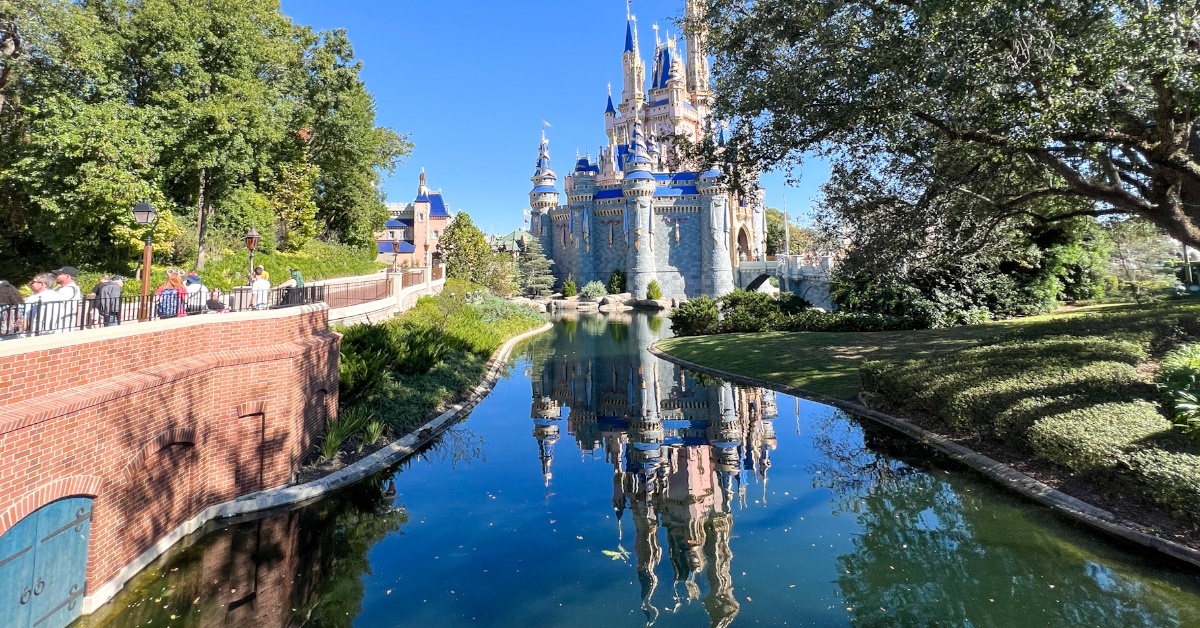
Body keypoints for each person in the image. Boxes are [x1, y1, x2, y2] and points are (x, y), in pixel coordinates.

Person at [50, 266, 82, 332]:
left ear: (67, 276)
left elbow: (54, 302)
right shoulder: (62, 288)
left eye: (59, 274)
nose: (56, 276)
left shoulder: (70, 289)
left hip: (63, 324)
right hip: (58, 322)